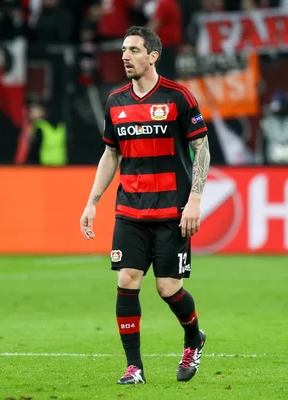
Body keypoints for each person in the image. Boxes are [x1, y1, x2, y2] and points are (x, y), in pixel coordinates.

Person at [79, 26, 211, 385]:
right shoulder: (115, 101)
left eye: (134, 50)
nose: (125, 56)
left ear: (153, 55)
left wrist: (195, 199)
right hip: (131, 210)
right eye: (123, 49)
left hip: (172, 211)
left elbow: (202, 149)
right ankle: (134, 367)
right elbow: (110, 154)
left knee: (167, 288)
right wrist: (92, 202)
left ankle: (193, 337)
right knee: (127, 279)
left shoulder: (178, 97)